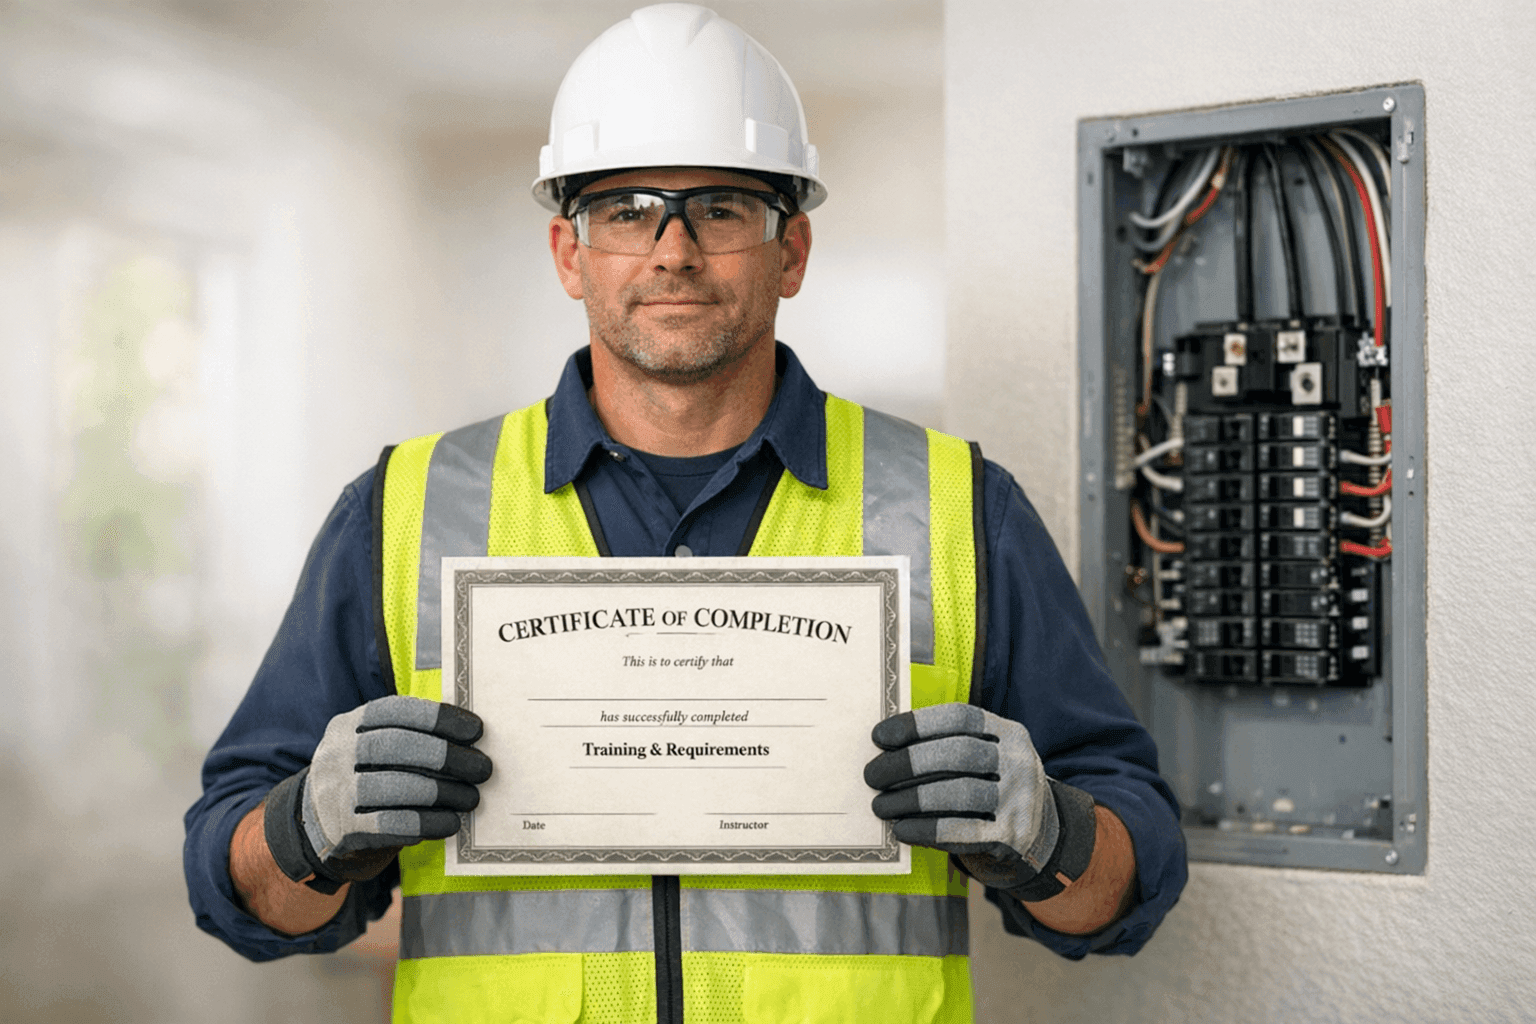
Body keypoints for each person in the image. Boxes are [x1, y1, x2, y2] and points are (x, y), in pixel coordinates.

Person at [184, 6, 1186, 1022]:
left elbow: (1128, 887)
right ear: (570, 256)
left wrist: (1048, 828)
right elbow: (236, 895)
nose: (672, 251)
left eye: (720, 208)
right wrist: (303, 828)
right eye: (626, 210)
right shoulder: (403, 510)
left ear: (791, 251)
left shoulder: (958, 509)